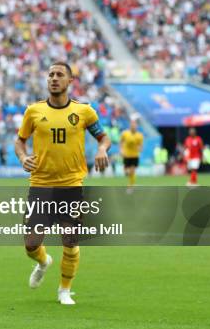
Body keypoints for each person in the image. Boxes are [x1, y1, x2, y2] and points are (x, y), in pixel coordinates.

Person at [14, 62, 111, 305]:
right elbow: (20, 141)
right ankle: (43, 261)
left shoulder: (84, 112)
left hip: (71, 185)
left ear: (69, 82)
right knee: (31, 244)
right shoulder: (33, 111)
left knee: (70, 239)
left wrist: (101, 149)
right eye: (51, 75)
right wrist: (23, 157)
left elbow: (104, 136)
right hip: (40, 185)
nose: (54, 78)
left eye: (59, 75)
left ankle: (64, 290)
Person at [120, 119, 143, 192]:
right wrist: (121, 150)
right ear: (130, 125)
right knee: (126, 172)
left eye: (135, 124)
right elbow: (121, 142)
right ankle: (131, 182)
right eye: (132, 124)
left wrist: (140, 148)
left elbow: (141, 146)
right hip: (126, 155)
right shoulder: (125, 133)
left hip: (134, 156)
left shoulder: (139, 135)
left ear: (137, 126)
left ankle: (130, 186)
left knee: (132, 171)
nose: (133, 125)